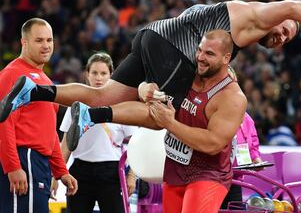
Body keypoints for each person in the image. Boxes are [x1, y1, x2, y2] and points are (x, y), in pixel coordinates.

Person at [0, 0, 301, 122]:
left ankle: (34, 91)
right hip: (172, 48)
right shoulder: (258, 14)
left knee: (103, 93)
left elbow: (195, 16)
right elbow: (289, 7)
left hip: (155, 35)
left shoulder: (240, 26)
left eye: (288, 38)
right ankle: (91, 119)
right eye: (284, 30)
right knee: (163, 116)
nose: (283, 36)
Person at [67, 29, 247, 213]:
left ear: (226, 58)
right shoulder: (187, 71)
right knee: (152, 107)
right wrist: (144, 88)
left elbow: (213, 144)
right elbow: (144, 85)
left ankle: (95, 115)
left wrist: (170, 123)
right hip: (174, 170)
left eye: (209, 54)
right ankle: (93, 115)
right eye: (199, 50)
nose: (200, 57)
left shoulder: (231, 98)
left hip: (208, 174)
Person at [0, 18, 77, 213]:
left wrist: (60, 170)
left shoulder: (45, 80)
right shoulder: (13, 75)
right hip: (24, 160)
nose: (46, 46)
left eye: (49, 40)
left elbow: (49, 132)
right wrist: (13, 167)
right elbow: (3, 123)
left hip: (39, 164)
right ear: (24, 42)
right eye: (39, 40)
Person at [52, 52, 138, 213]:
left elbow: (136, 143)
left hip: (111, 173)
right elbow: (65, 145)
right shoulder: (75, 106)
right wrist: (57, 174)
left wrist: (132, 175)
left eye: (104, 73)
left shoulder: (121, 105)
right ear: (87, 75)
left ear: (111, 75)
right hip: (79, 173)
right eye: (95, 73)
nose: (99, 78)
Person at [221, 112, 262, 209]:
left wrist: (256, 158)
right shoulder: (218, 113)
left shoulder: (246, 117)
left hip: (236, 179)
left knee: (236, 209)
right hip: (216, 178)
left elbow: (253, 140)